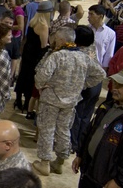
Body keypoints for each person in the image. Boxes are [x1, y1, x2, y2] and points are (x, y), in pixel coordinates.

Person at [32, 27, 106, 177]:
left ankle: (45, 163)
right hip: (71, 100)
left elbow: (41, 75)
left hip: (51, 99)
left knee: (47, 129)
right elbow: (100, 74)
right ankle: (59, 162)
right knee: (64, 130)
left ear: (61, 40)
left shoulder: (57, 56)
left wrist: (41, 86)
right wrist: (81, 85)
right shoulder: (83, 57)